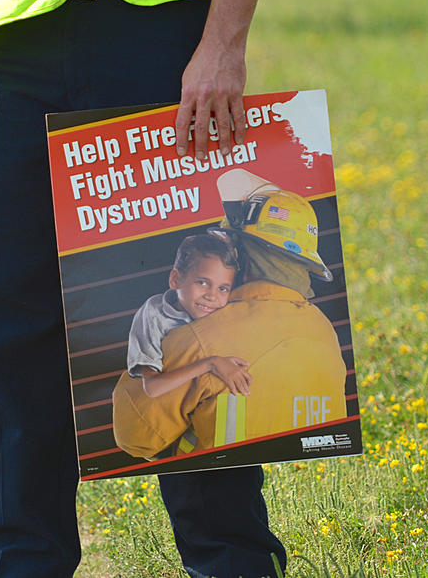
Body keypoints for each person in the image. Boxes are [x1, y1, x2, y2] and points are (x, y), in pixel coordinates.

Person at [0, 0, 282, 576]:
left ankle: (233, 563)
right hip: (20, 34)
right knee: (12, 323)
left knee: (197, 311)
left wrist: (225, 40)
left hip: (160, 34)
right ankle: (19, 561)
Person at [113, 185, 348, 458]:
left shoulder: (200, 338)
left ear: (242, 258)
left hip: (217, 486)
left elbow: (134, 436)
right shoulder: (324, 331)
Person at [126, 232, 251, 399]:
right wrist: (211, 363)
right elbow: (153, 388)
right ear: (176, 279)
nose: (212, 296)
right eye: (202, 282)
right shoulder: (154, 314)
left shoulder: (226, 312)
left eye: (223, 289)